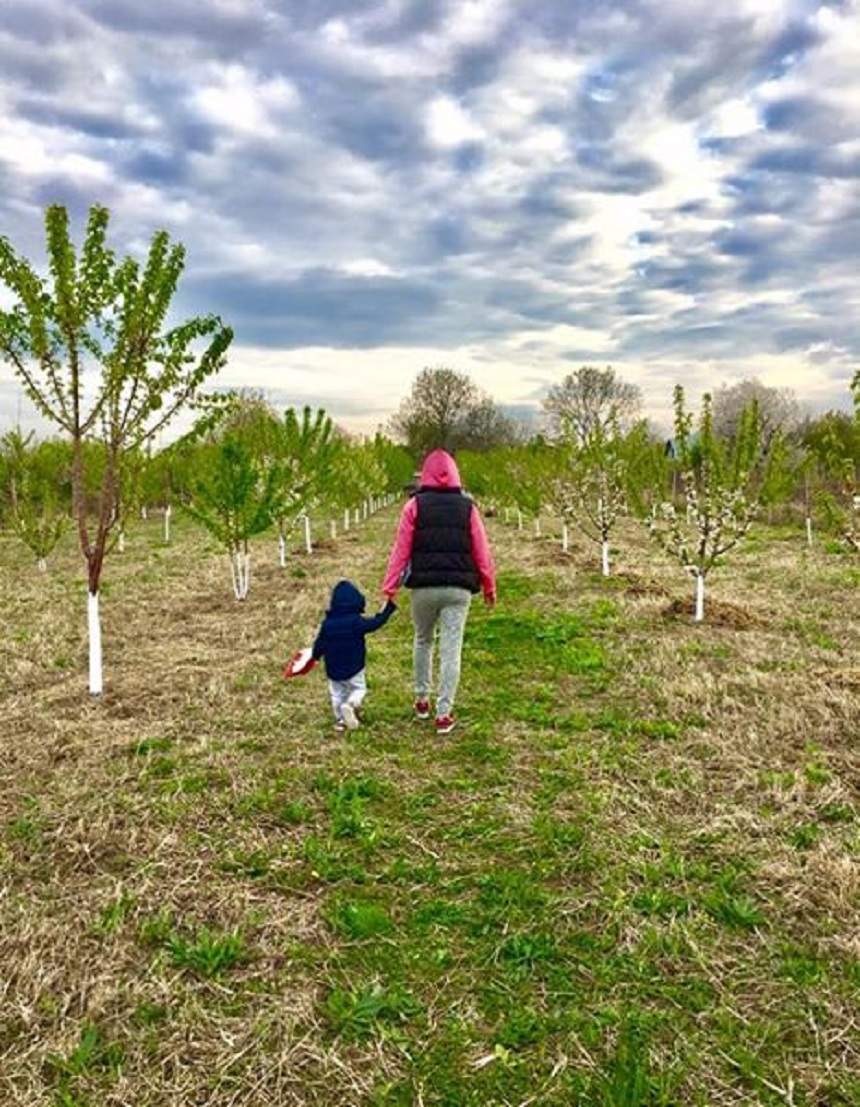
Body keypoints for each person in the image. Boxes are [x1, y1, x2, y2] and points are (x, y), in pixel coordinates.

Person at [382, 448, 496, 734]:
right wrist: (488, 585)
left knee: (423, 640)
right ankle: (444, 713)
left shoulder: (414, 506)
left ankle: (422, 700)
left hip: (423, 588)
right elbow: (481, 550)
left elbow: (401, 550)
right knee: (451, 649)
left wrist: (391, 585)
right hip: (458, 590)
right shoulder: (468, 507)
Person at [311, 580, 397, 732]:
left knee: (337, 694)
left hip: (333, 668)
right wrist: (387, 609)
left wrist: (315, 656)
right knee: (359, 689)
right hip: (354, 666)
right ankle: (351, 704)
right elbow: (376, 623)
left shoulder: (327, 624)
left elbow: (320, 644)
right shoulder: (356, 622)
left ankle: (340, 721)